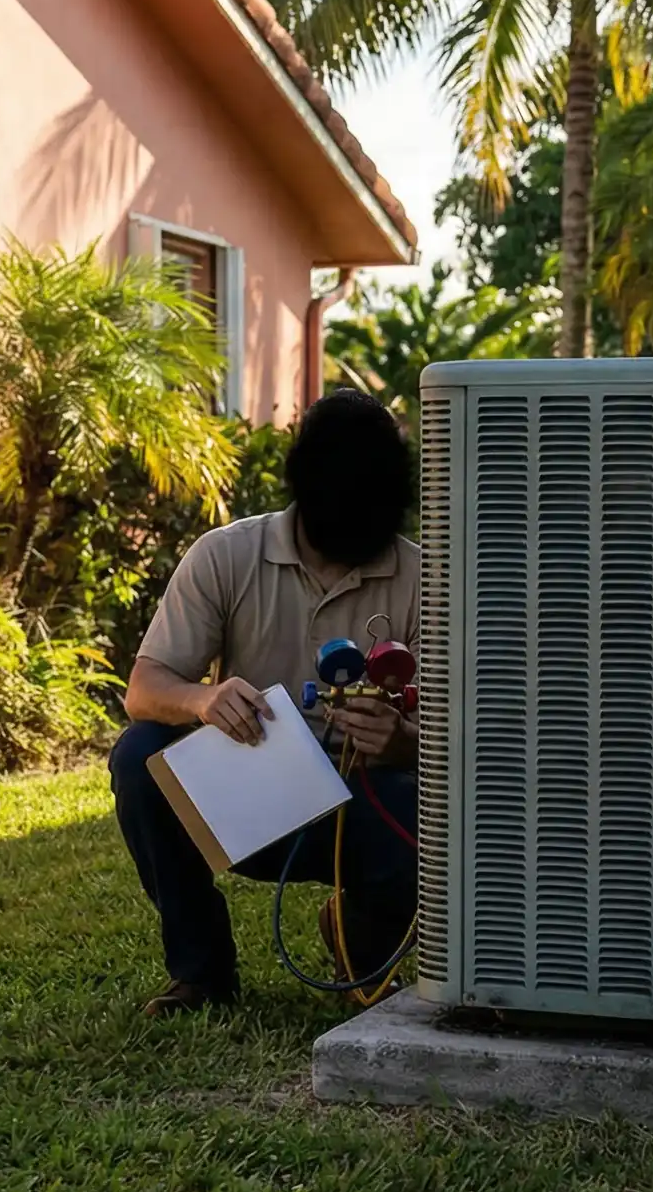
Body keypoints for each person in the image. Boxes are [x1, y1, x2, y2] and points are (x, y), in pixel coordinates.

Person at [109, 387, 422, 1016]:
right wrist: (202, 700)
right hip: (257, 793)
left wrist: (404, 739)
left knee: (444, 799)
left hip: (374, 797)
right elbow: (144, 689)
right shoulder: (226, 556)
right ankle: (202, 976)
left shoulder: (426, 577)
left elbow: (467, 733)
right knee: (140, 757)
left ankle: (361, 946)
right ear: (305, 486)